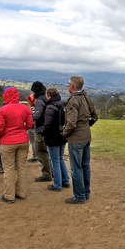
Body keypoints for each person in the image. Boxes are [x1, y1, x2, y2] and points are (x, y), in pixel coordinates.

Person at [0, 86, 33, 204]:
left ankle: (9, 196)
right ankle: (21, 193)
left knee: (9, 168)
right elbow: (30, 124)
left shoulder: (3, 110)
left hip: (8, 142)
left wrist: (2, 135)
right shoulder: (25, 109)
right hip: (23, 140)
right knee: (22, 167)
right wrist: (22, 130)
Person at [62, 75, 98, 204]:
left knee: (76, 168)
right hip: (86, 136)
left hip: (76, 138)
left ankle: (79, 196)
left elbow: (71, 123)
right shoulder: (87, 98)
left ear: (72, 86)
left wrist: (65, 134)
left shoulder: (74, 100)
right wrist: (85, 126)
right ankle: (86, 193)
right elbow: (95, 116)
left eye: (68, 84)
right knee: (85, 166)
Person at [41, 87, 70, 192]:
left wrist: (43, 133)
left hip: (53, 137)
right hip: (62, 135)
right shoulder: (63, 104)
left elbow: (47, 124)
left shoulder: (50, 107)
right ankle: (66, 181)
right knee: (60, 159)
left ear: (49, 95)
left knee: (55, 161)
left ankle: (57, 184)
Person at [30, 81, 53, 182]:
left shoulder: (39, 100)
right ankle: (53, 172)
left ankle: (46, 174)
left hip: (40, 129)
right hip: (49, 128)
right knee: (49, 152)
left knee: (41, 152)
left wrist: (30, 113)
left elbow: (37, 116)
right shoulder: (47, 98)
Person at [26, 94, 39, 162]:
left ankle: (35, 156)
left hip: (32, 127)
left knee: (33, 142)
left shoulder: (32, 108)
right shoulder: (38, 106)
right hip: (36, 127)